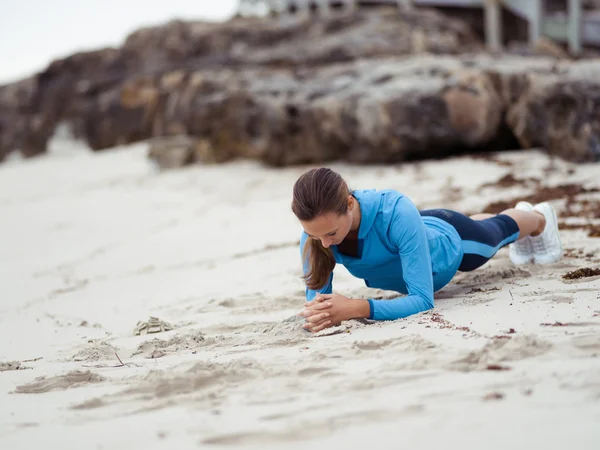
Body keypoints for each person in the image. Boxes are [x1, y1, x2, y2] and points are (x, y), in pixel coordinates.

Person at [291, 167, 562, 333]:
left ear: (349, 204)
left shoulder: (394, 210)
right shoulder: (317, 234)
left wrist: (355, 308)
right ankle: (487, 220)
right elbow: (318, 308)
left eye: (330, 234)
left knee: (496, 233)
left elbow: (423, 301)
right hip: (417, 229)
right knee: (484, 225)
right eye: (314, 235)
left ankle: (539, 218)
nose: (323, 243)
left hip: (452, 244)